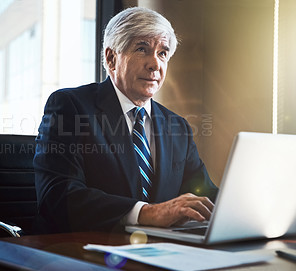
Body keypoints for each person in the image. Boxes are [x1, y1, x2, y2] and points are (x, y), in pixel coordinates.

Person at [33, 7, 218, 233]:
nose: (155, 64)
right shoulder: (70, 106)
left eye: (162, 53)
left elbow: (204, 193)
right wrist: (147, 213)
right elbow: (58, 196)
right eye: (142, 49)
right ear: (111, 58)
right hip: (86, 250)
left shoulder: (177, 125)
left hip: (163, 252)